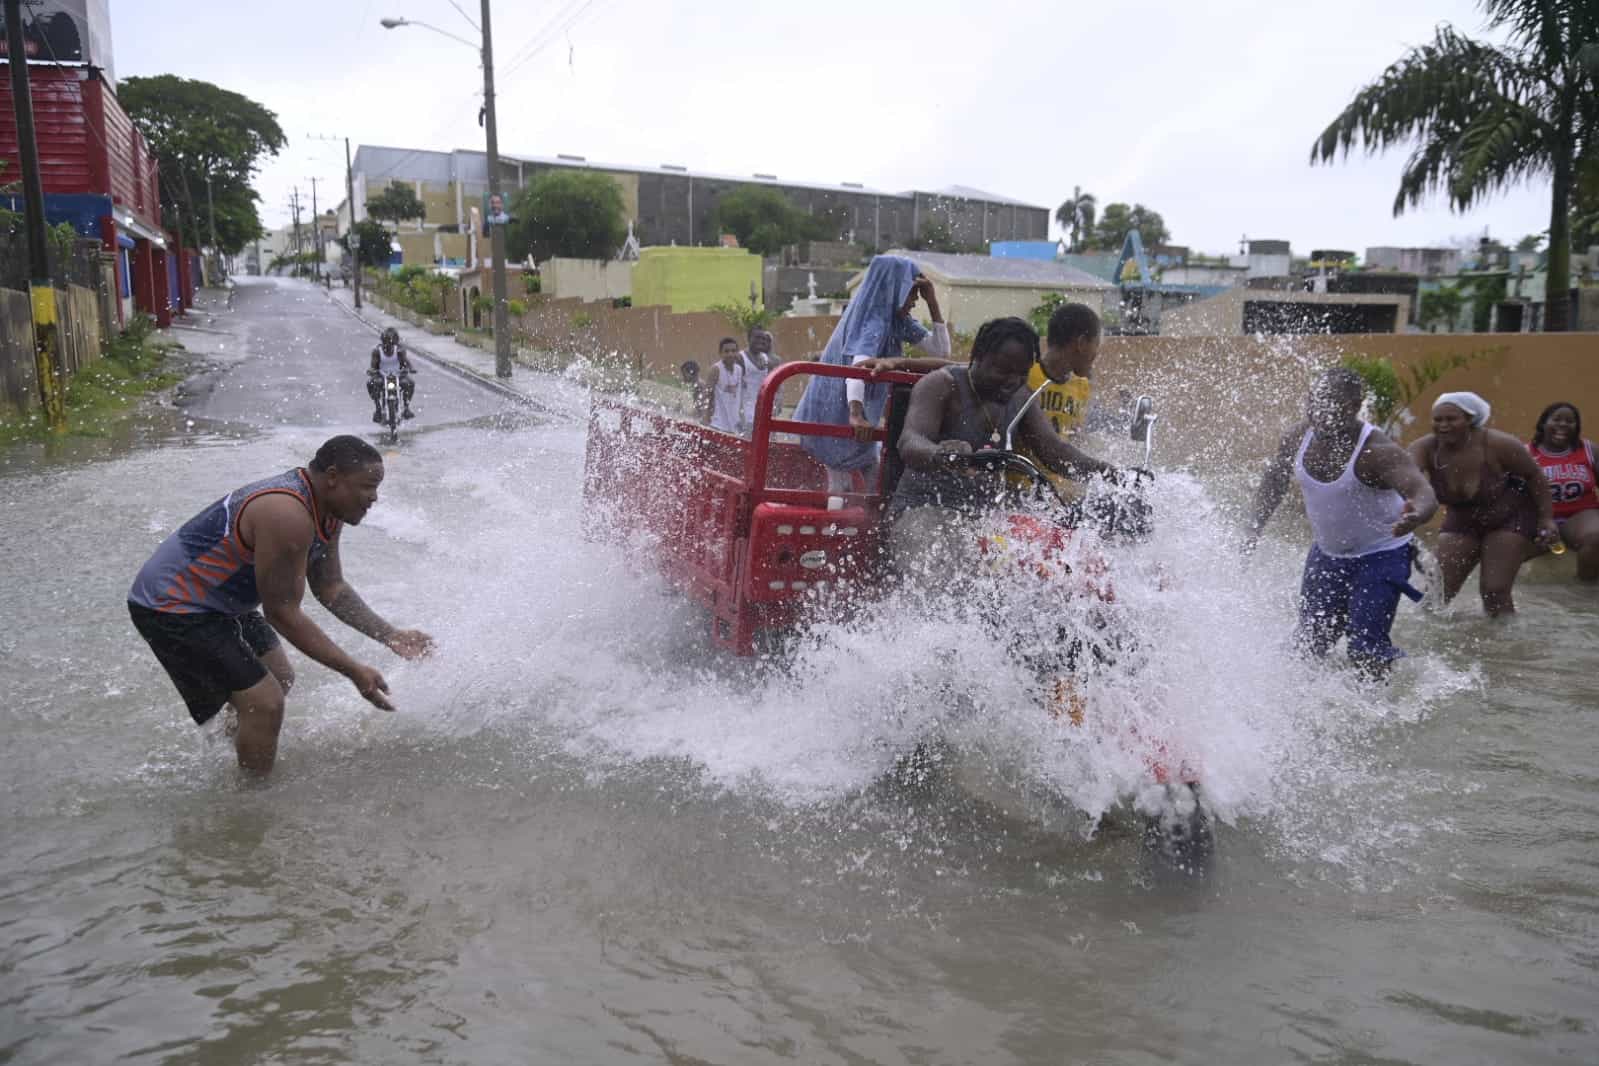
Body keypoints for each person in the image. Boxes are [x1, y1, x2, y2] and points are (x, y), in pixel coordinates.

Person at [127, 436, 434, 774]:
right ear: (332, 477)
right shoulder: (287, 514)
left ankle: (231, 754)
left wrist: (390, 635)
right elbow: (282, 614)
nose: (374, 497)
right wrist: (353, 670)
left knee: (279, 677)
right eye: (367, 486)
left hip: (218, 601)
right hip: (171, 604)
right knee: (266, 703)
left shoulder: (329, 511)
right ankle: (251, 806)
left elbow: (331, 588)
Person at [887, 317, 1117, 584]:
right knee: (954, 579)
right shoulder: (942, 385)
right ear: (978, 357)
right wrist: (941, 454)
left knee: (1058, 566)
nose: (1012, 381)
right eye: (1003, 371)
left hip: (985, 520)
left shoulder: (1020, 396)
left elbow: (1054, 451)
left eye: (1021, 373)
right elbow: (910, 441)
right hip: (922, 513)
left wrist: (1110, 474)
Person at [1244, 369, 1438, 675]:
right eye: (1313, 403)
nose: (1319, 413)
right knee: (1310, 643)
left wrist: (1418, 513)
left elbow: (1421, 490)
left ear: (1353, 405)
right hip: (1327, 555)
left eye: (1329, 403)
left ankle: (1381, 713)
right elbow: (1275, 481)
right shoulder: (1298, 437)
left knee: (1366, 648)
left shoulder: (1377, 450)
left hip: (1382, 555)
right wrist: (1253, 526)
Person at [792, 255, 951, 493]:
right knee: (840, 484)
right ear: (894, 289)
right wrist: (856, 414)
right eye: (912, 292)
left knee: (870, 477)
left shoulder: (898, 321)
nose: (916, 300)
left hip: (858, 413)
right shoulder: (873, 321)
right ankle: (844, 525)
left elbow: (941, 351)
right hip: (834, 411)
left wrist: (933, 302)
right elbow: (860, 366)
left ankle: (863, 523)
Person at [1408, 391, 1558, 616]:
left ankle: (1505, 643)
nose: (1443, 426)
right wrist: (1409, 508)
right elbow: (1409, 479)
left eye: (1451, 419)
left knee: (1494, 591)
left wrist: (1546, 518)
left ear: (1470, 419)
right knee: (1436, 593)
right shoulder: (1424, 448)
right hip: (1462, 520)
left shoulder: (1499, 443)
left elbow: (1535, 476)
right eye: (1438, 420)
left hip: (1509, 518)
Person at [1527, 401, 1599, 581]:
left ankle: (1585, 590)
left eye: (1570, 421)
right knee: (1506, 546)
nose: (1563, 425)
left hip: (1580, 515)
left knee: (1595, 537)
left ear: (1577, 427)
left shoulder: (1589, 450)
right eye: (1557, 419)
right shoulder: (1525, 453)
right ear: (1543, 423)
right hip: (1539, 518)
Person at [367, 327, 416, 422]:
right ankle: (378, 408)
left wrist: (411, 368)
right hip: (382, 376)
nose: (389, 344)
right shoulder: (377, 351)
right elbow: (373, 365)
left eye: (391, 342)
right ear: (382, 341)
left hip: (398, 376)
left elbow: (406, 362)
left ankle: (406, 408)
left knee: (410, 383)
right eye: (386, 341)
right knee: (371, 384)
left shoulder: (400, 351)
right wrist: (372, 370)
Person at [701, 338, 747, 433]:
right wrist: (705, 419)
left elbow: (739, 396)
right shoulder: (716, 369)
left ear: (737, 352)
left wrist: (742, 418)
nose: (730, 354)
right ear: (720, 353)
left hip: (734, 423)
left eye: (733, 351)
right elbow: (706, 395)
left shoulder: (739, 369)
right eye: (726, 351)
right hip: (717, 423)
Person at [740, 327, 779, 428]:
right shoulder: (740, 358)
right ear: (748, 338)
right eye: (757, 337)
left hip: (762, 414)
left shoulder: (766, 359)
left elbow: (772, 386)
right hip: (745, 415)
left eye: (762, 338)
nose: (760, 341)